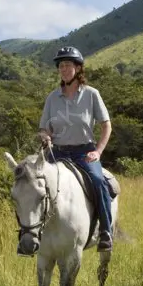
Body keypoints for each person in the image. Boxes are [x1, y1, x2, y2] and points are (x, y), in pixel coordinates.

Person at [37, 46, 114, 251]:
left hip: (83, 151)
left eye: (68, 65)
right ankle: (31, 234)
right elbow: (44, 128)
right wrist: (45, 137)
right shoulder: (52, 98)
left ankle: (106, 232)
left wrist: (97, 151)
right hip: (57, 152)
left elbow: (106, 125)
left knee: (98, 181)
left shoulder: (91, 95)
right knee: (34, 183)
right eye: (61, 66)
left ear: (78, 68)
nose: (63, 69)